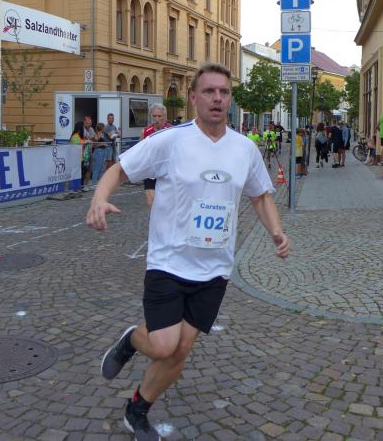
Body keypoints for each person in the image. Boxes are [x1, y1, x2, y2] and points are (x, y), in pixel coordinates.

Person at [87, 63, 290, 441]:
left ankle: (137, 409)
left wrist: (276, 231)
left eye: (224, 92)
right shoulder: (170, 141)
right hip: (168, 262)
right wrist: (99, 198)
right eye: (209, 91)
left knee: (180, 351)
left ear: (230, 99)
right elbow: (119, 170)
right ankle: (132, 339)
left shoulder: (244, 148)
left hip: (214, 269)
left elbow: (260, 195)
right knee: (164, 345)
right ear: (194, 97)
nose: (217, 98)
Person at [141, 104, 170, 209]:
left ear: (164, 116)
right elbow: (140, 152)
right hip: (151, 172)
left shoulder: (171, 131)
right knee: (151, 202)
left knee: (165, 203)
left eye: (159, 116)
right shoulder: (145, 132)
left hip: (166, 172)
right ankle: (152, 219)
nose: (156, 119)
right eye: (154, 116)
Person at [70, 121, 91, 190]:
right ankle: (74, 188)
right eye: (83, 128)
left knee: (82, 173)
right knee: (76, 173)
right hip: (76, 158)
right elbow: (80, 143)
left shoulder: (79, 136)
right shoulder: (75, 136)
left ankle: (80, 187)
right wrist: (86, 141)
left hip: (80, 158)